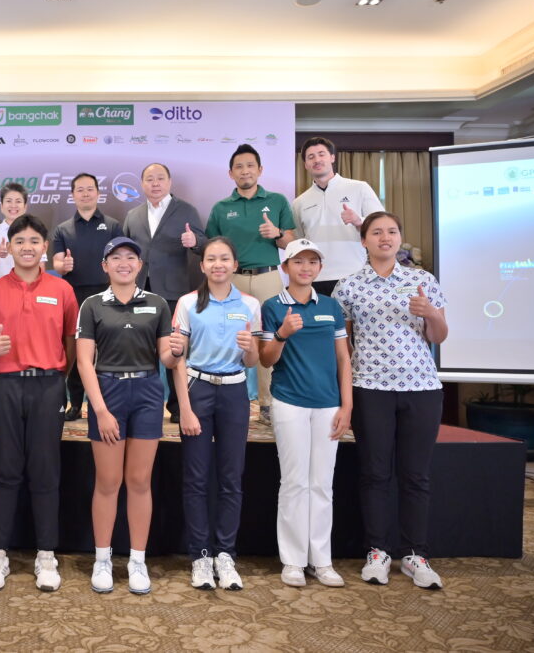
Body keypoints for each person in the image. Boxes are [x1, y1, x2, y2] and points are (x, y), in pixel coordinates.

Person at [332, 212, 448, 589]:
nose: (386, 237)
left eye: (392, 232)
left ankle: (415, 555)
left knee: (416, 475)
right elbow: (343, 347)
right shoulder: (348, 286)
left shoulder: (422, 280)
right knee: (375, 473)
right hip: (370, 388)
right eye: (377, 232)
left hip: (422, 388)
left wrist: (431, 314)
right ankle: (378, 552)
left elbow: (439, 336)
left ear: (399, 239)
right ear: (363, 240)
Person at [0, 214, 78, 593]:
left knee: (45, 470)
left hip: (48, 386)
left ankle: (46, 555)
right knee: (5, 469)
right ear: (9, 246)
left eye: (34, 241)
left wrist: (57, 376)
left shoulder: (61, 290)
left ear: (45, 247)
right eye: (19, 241)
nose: (27, 247)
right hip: (4, 385)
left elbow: (71, 342)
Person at [76, 236, 179, 595]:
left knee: (139, 481)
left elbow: (165, 357)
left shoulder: (157, 304)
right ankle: (102, 559)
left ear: (140, 265)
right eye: (116, 257)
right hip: (108, 392)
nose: (124, 263)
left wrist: (176, 353)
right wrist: (100, 410)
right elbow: (83, 362)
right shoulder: (92, 305)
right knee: (108, 482)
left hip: (148, 392)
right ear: (105, 266)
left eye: (131, 257)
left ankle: (137, 560)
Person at [259, 239, 351, 588]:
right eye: (298, 261)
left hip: (328, 403)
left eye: (312, 261)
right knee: (295, 482)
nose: (306, 267)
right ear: (285, 267)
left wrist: (347, 405)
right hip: (289, 402)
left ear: (320, 268)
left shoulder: (330, 306)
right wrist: (282, 334)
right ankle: (294, 561)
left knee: (322, 484)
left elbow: (343, 358)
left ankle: (321, 560)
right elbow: (266, 359)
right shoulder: (273, 306)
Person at [169, 237, 260, 592]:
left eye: (224, 258)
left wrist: (250, 349)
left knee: (231, 477)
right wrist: (185, 409)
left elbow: (252, 361)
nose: (218, 264)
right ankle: (201, 556)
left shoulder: (250, 304)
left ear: (235, 264)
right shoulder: (188, 303)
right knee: (196, 478)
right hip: (198, 390)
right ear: (202, 265)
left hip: (235, 392)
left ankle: (225, 554)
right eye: (211, 259)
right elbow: (177, 359)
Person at [205, 144, 295, 425]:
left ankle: (268, 402)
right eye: (239, 167)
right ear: (231, 173)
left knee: (270, 338)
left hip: (268, 277)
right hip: (232, 279)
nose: (245, 171)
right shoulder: (221, 208)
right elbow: (211, 247)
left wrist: (277, 233)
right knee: (230, 338)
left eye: (250, 165)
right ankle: (231, 401)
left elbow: (291, 244)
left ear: (260, 170)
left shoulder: (277, 201)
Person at [122, 163, 206, 423]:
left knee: (174, 349)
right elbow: (125, 252)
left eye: (160, 178)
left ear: (169, 182)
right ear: (142, 184)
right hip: (139, 292)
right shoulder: (133, 215)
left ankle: (178, 406)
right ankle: (144, 404)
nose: (155, 183)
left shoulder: (186, 210)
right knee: (141, 350)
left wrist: (195, 242)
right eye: (149, 179)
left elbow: (205, 244)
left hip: (173, 291)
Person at [51, 172, 123, 421]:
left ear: (98, 193)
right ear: (73, 195)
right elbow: (56, 261)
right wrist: (63, 266)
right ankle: (75, 404)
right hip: (74, 297)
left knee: (107, 352)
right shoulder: (63, 229)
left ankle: (105, 404)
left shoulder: (112, 225)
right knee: (77, 351)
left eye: (90, 189)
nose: (85, 194)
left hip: (106, 296)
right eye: (79, 190)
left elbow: (120, 260)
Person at [292, 137, 383, 296]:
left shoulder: (359, 188)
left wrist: (359, 221)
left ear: (332, 157)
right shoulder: (299, 202)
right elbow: (300, 241)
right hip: (315, 278)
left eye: (322, 154)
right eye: (311, 157)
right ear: (305, 164)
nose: (317, 160)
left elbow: (381, 227)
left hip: (354, 276)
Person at [0, 183, 45, 280]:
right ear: (2, 206)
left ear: (25, 206)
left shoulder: (36, 231)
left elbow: (40, 264)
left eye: (18, 201)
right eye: (9, 201)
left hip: (27, 283)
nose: (13, 206)